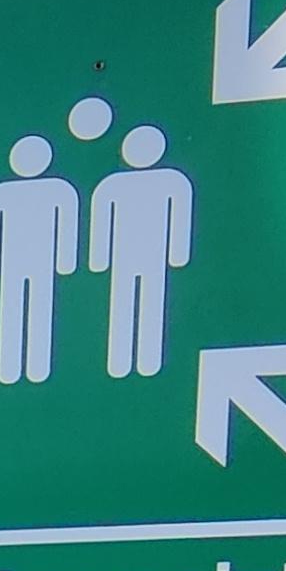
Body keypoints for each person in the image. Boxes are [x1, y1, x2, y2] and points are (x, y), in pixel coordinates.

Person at [86, 123, 194, 380]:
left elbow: (179, 218)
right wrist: (99, 259)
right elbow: (101, 221)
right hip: (122, 256)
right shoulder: (111, 184)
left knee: (152, 303)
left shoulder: (172, 181)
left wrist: (177, 255)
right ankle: (119, 361)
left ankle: (147, 361)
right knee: (121, 303)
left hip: (154, 255)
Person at [0, 134, 78, 385]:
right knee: (11, 310)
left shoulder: (59, 190)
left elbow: (67, 226)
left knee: (41, 308)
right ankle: (9, 368)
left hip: (43, 262)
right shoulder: (0, 194)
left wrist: (66, 262)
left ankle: (38, 367)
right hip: (11, 264)